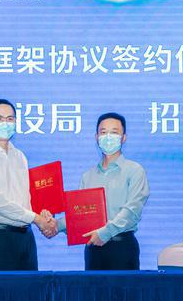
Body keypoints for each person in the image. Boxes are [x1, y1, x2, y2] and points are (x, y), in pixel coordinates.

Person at [0, 99, 57, 271]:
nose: (5, 123)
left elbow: (26, 197)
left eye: (10, 119)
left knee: (29, 289)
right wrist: (36, 219)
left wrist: (42, 213)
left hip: (25, 240)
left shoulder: (19, 156)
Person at [57, 112, 150, 270]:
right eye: (103, 132)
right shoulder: (88, 176)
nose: (108, 137)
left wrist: (105, 232)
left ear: (124, 138)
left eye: (114, 132)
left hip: (122, 247)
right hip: (93, 249)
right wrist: (55, 225)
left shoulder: (135, 170)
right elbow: (79, 215)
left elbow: (132, 211)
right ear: (96, 137)